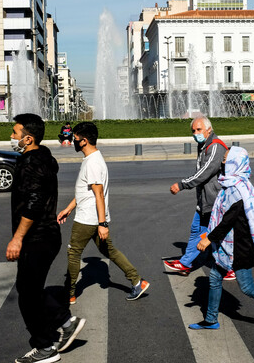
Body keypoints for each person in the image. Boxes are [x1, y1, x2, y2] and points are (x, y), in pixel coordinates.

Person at [188, 146, 254, 335]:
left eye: (226, 158)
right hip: (227, 244)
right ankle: (211, 319)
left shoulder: (238, 189)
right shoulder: (230, 184)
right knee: (214, 277)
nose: (223, 161)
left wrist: (208, 238)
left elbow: (228, 220)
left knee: (247, 287)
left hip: (239, 246)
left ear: (235, 162)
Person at [8, 113, 85, 363]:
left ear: (28, 138)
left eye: (14, 133)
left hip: (37, 237)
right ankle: (66, 321)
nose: (11, 137)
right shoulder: (42, 158)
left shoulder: (31, 162)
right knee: (29, 289)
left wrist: (17, 238)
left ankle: (44, 348)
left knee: (27, 296)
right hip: (45, 236)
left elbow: (33, 204)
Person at [57, 121, 150, 303]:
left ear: (84, 141)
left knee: (74, 253)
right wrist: (68, 209)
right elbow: (86, 192)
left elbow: (99, 193)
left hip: (88, 219)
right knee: (110, 251)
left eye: (75, 138)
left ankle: (69, 293)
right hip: (93, 217)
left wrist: (102, 223)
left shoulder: (92, 162)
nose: (73, 141)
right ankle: (137, 281)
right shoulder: (93, 159)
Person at [165, 116, 233, 279]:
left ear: (209, 129)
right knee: (198, 230)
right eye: (193, 130)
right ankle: (186, 263)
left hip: (215, 200)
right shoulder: (204, 145)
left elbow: (205, 172)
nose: (195, 133)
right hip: (204, 200)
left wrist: (182, 184)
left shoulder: (215, 146)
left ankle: (230, 268)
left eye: (199, 129)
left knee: (216, 235)